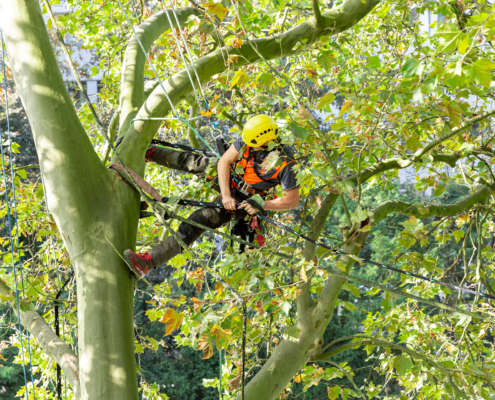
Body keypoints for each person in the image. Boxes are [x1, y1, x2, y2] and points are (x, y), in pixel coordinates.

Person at [123, 114, 300, 278]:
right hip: (231, 179)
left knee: (200, 219)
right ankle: (149, 152)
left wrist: (261, 205)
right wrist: (225, 195)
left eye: (252, 143)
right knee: (196, 162)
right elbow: (225, 161)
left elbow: (292, 201)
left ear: (265, 140)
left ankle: (147, 263)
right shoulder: (249, 137)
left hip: (246, 199)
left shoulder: (285, 162)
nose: (247, 145)